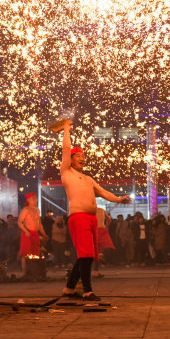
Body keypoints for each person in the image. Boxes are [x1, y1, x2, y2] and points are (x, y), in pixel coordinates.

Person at [59, 121, 130, 301]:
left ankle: (69, 289)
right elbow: (66, 149)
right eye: (79, 156)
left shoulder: (88, 179)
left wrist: (119, 199)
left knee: (88, 256)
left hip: (91, 219)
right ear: (71, 159)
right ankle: (87, 291)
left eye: (84, 156)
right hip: (79, 217)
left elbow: (103, 193)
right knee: (86, 255)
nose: (83, 158)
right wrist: (66, 129)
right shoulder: (66, 172)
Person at [18, 193, 48, 275]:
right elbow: (19, 222)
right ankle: (24, 273)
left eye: (36, 198)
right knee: (26, 254)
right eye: (33, 198)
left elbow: (40, 224)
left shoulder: (37, 209)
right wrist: (26, 231)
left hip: (35, 234)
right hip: (27, 234)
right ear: (28, 200)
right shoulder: (25, 209)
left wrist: (44, 234)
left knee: (36, 253)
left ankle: (34, 272)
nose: (35, 200)